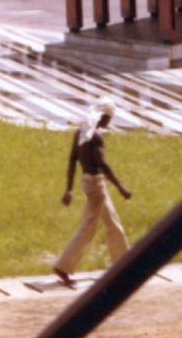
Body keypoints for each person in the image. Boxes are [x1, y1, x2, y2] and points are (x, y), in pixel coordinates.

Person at [54, 103, 132, 288]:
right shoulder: (95, 137)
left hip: (88, 182)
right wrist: (121, 187)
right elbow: (103, 165)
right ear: (102, 117)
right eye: (109, 119)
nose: (108, 123)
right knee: (88, 228)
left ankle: (123, 265)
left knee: (113, 224)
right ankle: (63, 267)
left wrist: (69, 189)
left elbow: (73, 160)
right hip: (97, 185)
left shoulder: (80, 133)